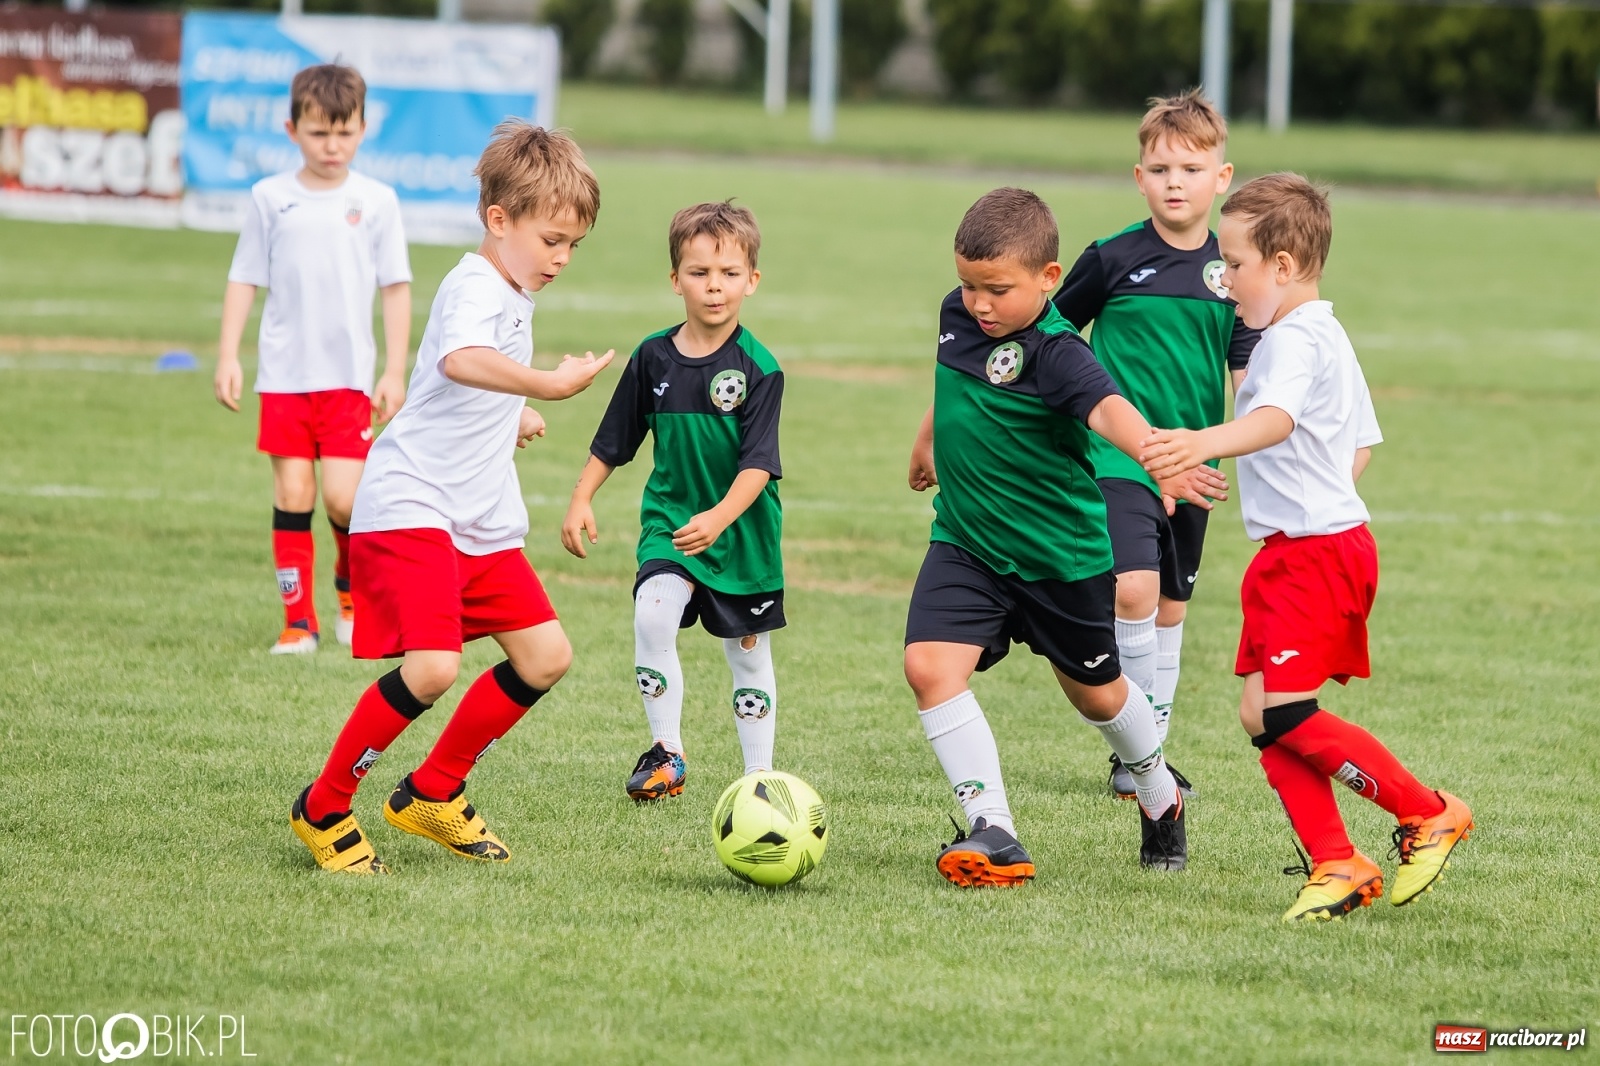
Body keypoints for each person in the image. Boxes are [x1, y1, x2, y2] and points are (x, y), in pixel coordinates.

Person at [1140, 173, 1472, 921]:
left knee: (1287, 713)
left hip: (1314, 554)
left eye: (1235, 265)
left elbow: (1280, 421)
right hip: (1307, 548)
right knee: (1261, 714)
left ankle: (1426, 811)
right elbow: (1358, 446)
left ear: (1283, 266)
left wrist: (1199, 442)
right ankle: (1337, 863)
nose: (1224, 284)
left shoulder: (1291, 340)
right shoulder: (1326, 332)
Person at [289, 121, 613, 873]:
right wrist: (546, 386)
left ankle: (434, 790)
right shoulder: (475, 281)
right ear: (499, 221)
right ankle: (324, 804)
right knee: (432, 668)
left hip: (478, 518)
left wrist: (515, 412)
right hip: (412, 506)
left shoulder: (511, 285)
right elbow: (462, 358)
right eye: (552, 239)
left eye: (574, 244)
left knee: (545, 656)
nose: (562, 258)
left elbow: (466, 379)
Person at [905, 187, 1228, 886]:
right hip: (968, 543)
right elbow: (950, 381)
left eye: (997, 289)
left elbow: (1113, 413)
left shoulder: (1058, 352)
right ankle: (994, 829)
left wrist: (1159, 457)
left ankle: (1158, 791)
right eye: (967, 284)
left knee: (1100, 697)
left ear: (1049, 280)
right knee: (929, 668)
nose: (978, 303)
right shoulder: (956, 317)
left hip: (1060, 561)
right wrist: (929, 439)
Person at [1053, 88, 1260, 798]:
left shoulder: (1231, 272)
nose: (1177, 182)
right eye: (1161, 168)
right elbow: (1048, 334)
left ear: (1221, 179)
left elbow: (1247, 376)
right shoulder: (1111, 259)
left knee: (1171, 608)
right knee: (1133, 588)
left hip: (1194, 462)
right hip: (1120, 455)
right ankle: (1138, 759)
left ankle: (1143, 753)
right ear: (1139, 177)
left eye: (1192, 169)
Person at [562, 201, 785, 801]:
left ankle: (759, 781)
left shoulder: (760, 369)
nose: (715, 287)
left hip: (741, 534)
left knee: (747, 657)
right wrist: (583, 495)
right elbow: (616, 438)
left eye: (730, 274)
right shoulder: (652, 357)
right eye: (699, 273)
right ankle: (668, 754)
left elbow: (759, 465)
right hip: (672, 524)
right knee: (652, 615)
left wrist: (717, 519)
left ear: (752, 281)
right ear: (675, 280)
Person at [214, 63, 412, 655]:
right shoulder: (270, 198)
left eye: (344, 133)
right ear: (291, 128)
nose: (332, 146)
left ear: (363, 129)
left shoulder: (376, 201)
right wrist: (229, 354)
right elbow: (244, 277)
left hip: (348, 380)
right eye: (319, 133)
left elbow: (395, 286)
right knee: (294, 493)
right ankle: (298, 622)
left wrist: (394, 369)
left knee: (344, 500)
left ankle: (352, 599)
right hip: (283, 377)